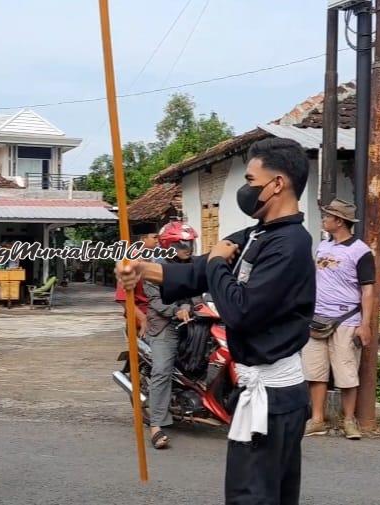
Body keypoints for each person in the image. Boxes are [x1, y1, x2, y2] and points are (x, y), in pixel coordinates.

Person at [115, 138, 315, 505]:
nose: (246, 188)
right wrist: (144, 269)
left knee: (251, 497)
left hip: (273, 396)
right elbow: (197, 271)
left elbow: (241, 310)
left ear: (277, 183)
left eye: (251, 179)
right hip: (264, 394)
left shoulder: (290, 245)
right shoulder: (260, 234)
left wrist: (217, 264)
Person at [302, 199, 376, 441]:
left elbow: (368, 290)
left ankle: (349, 420)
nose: (324, 220)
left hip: (346, 319)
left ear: (340, 221)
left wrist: (364, 324)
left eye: (328, 217)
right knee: (315, 371)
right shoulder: (322, 247)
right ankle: (317, 419)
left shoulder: (361, 251)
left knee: (346, 373)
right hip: (318, 318)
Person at [143, 221, 199, 450]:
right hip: (165, 324)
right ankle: (156, 425)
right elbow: (156, 302)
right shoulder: (155, 269)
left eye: (190, 243)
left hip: (195, 322)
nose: (188, 248)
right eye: (183, 244)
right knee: (162, 370)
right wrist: (177, 310)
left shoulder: (195, 265)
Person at [115, 226, 158, 336]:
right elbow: (123, 299)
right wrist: (142, 319)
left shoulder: (154, 259)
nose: (157, 241)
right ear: (143, 239)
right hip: (140, 318)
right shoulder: (131, 261)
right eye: (154, 237)